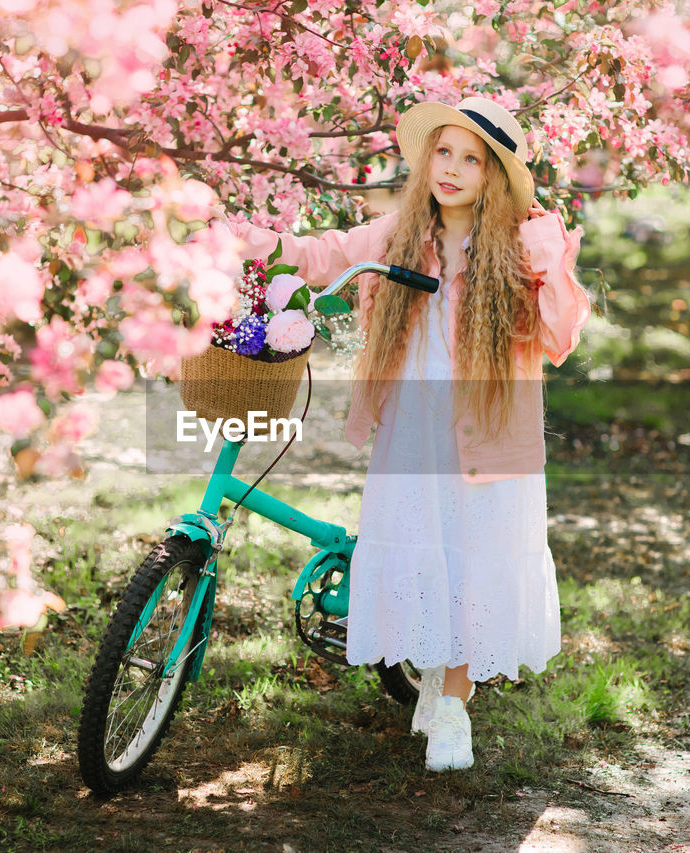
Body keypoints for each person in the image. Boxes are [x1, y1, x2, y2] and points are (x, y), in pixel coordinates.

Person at [223, 96, 591, 771]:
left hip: (486, 430)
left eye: (470, 160)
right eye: (443, 153)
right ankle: (434, 680)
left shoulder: (515, 245)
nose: (450, 169)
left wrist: (546, 246)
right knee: (427, 547)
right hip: (413, 428)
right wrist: (246, 239)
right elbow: (323, 252)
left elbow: (562, 332)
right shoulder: (404, 231)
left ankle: (452, 707)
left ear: (495, 177)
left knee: (473, 555)